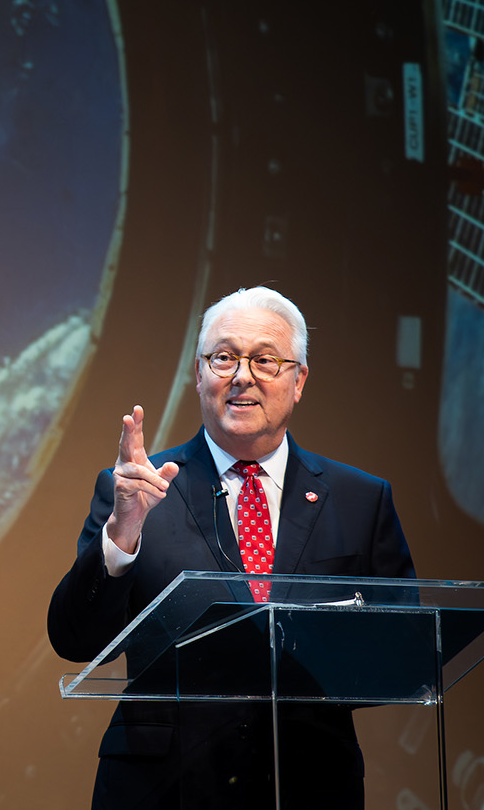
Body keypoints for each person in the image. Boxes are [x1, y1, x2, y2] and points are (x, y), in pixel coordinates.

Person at [47, 286, 415, 810]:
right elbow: (74, 640)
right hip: (165, 790)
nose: (242, 375)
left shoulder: (360, 499)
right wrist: (121, 534)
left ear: (298, 380)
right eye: (223, 357)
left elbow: (406, 651)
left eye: (265, 360)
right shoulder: (139, 490)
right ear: (199, 374)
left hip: (308, 784)